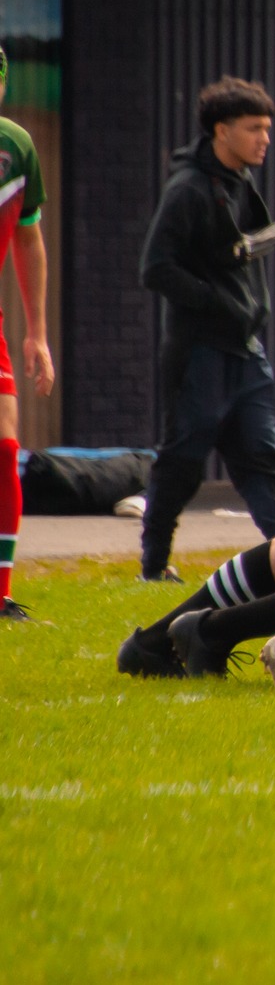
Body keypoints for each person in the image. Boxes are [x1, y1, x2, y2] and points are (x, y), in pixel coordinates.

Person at [135, 78, 275, 582]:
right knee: (183, 460)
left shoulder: (240, 182)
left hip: (245, 351)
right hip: (198, 352)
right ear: (221, 131)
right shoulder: (187, 190)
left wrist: (244, 309)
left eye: (267, 128)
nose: (264, 138)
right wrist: (217, 301)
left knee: (262, 459)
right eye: (253, 129)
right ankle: (154, 567)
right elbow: (155, 267)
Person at [0, 52, 52, 621]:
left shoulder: (15, 147)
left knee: (5, 448)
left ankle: (0, 593)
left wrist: (37, 333)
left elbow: (28, 239)